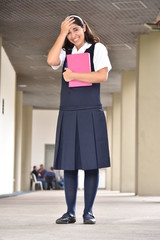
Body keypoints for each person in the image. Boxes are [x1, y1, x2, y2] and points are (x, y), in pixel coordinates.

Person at [47, 15, 112, 224]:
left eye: (76, 29)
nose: (73, 35)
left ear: (84, 27)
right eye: (69, 32)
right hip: (68, 111)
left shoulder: (97, 48)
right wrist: (61, 33)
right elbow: (51, 61)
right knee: (69, 164)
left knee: (91, 165)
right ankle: (70, 212)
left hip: (91, 110)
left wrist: (74, 75)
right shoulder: (65, 52)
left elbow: (102, 76)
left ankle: (89, 212)